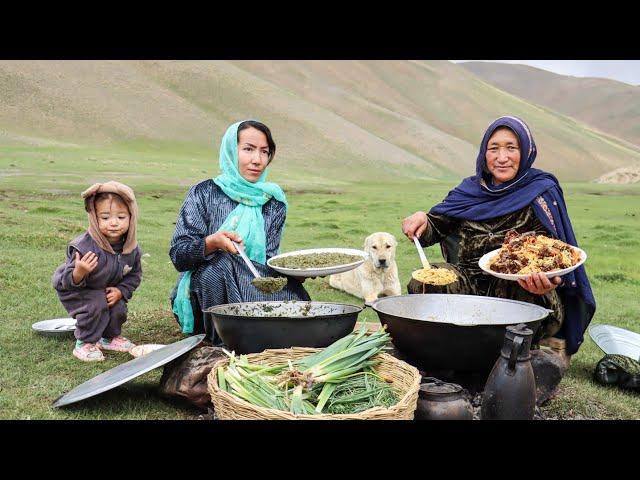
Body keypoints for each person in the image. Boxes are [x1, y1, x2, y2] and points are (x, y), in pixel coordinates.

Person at [401, 116, 596, 365]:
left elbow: (557, 255)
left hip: (524, 290)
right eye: (494, 148)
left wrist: (548, 282)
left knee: (521, 291)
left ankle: (512, 360)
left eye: (511, 148)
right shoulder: (469, 191)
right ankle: (441, 351)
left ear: (525, 151)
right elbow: (434, 227)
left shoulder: (541, 191)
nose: (501, 157)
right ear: (484, 153)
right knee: (425, 282)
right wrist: (422, 221)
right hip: (468, 285)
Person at [169, 120, 310, 343]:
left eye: (264, 152)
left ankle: (265, 334)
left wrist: (296, 273)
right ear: (230, 151)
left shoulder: (273, 203)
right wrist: (212, 243)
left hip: (253, 283)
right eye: (248, 149)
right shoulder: (204, 193)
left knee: (296, 295)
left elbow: (268, 262)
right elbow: (179, 256)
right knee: (221, 266)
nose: (257, 160)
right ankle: (225, 341)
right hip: (204, 294)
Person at [52, 181, 142, 361]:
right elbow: (67, 281)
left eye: (121, 217)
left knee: (118, 308)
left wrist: (121, 291)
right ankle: (84, 343)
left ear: (131, 217)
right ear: (95, 218)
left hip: (106, 288)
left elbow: (134, 274)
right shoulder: (84, 246)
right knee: (96, 305)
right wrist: (80, 271)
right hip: (77, 288)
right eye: (105, 217)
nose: (114, 223)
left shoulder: (131, 248)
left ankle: (108, 338)